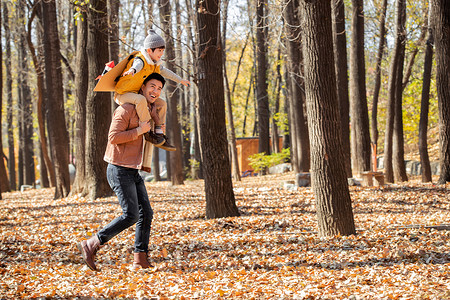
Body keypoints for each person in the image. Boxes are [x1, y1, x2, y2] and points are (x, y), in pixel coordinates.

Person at [77, 73, 168, 272]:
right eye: (152, 86)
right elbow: (113, 137)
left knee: (146, 213)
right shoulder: (126, 109)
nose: (155, 91)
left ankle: (140, 259)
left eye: (159, 88)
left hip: (133, 170)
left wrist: (156, 123)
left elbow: (156, 138)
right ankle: (92, 243)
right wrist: (138, 130)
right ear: (142, 87)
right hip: (118, 168)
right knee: (131, 215)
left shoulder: (149, 110)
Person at [114, 29, 189, 149]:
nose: (161, 54)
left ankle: (160, 132)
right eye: (159, 51)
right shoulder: (141, 59)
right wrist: (133, 70)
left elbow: (166, 72)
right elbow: (137, 65)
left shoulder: (155, 64)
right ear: (149, 50)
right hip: (123, 94)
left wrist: (180, 80)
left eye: (162, 51)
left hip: (137, 93)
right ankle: (148, 133)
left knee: (162, 104)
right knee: (140, 100)